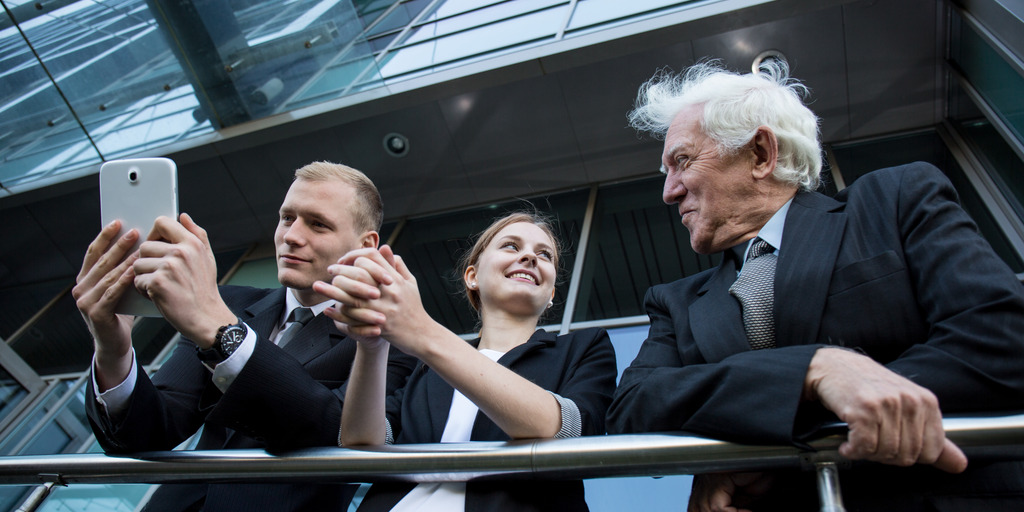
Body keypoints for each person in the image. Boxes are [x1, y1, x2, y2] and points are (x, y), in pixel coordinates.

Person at [605, 60, 1024, 511]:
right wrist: (814, 371)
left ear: (761, 154)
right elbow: (633, 410)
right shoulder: (676, 301)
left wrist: (761, 445)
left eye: (682, 161)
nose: (669, 192)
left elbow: (1000, 338)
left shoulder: (894, 201)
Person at [73, 161, 417, 512]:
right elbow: (150, 432)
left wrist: (223, 331)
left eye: (318, 224)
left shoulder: (387, 342)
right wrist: (113, 349)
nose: (291, 236)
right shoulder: (230, 302)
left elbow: (342, 436)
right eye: (287, 217)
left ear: (366, 243)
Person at [316, 212, 617, 511]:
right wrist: (372, 345)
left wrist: (423, 331)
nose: (529, 257)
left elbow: (566, 433)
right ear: (472, 277)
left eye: (545, 255)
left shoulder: (584, 346)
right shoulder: (427, 369)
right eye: (512, 246)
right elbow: (360, 445)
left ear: (550, 293)